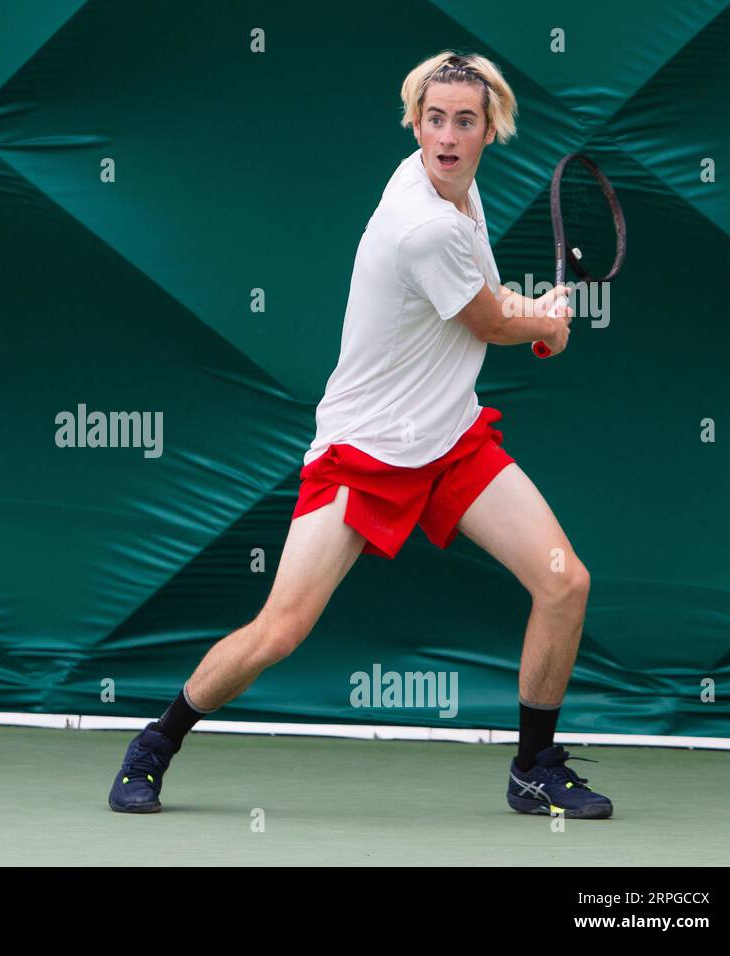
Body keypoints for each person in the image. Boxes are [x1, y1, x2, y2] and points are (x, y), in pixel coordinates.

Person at [109, 51, 612, 819]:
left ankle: (534, 765)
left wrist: (530, 316)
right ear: (414, 122)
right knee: (282, 629)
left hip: (448, 440)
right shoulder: (422, 223)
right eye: (433, 118)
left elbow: (484, 301)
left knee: (563, 581)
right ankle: (155, 743)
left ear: (488, 131)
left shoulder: (460, 195)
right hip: (365, 453)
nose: (446, 134)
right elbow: (488, 320)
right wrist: (544, 323)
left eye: (464, 121)